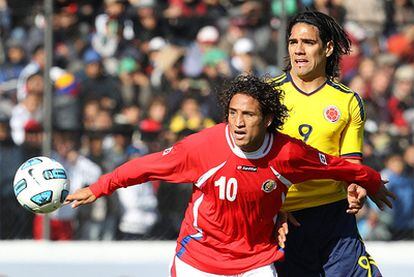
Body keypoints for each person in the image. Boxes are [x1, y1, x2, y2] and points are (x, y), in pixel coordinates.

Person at [66, 74, 394, 277]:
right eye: (233, 113)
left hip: (256, 262)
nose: (237, 122)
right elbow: (145, 166)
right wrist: (99, 187)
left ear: (267, 119)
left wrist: (372, 181)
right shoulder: (202, 147)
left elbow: (339, 166)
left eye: (248, 114)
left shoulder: (288, 154)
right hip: (199, 261)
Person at [273, 11, 393, 276]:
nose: (299, 50)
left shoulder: (348, 101)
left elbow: (351, 162)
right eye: (293, 42)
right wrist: (272, 208)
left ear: (327, 48)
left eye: (308, 42)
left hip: (334, 218)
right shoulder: (268, 96)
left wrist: (356, 184)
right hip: (283, 219)